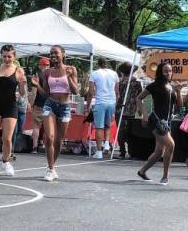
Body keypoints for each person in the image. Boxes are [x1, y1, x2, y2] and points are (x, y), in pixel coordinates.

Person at [31, 45, 79, 181]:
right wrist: (37, 85)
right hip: (49, 105)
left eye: (56, 53)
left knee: (58, 141)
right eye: (51, 53)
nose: (53, 55)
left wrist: (69, 77)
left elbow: (76, 91)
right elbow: (46, 93)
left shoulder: (71, 69)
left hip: (64, 107)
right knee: (49, 137)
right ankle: (50, 169)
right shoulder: (47, 72)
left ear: (63, 54)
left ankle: (52, 166)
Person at [135, 63, 185, 185]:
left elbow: (180, 106)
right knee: (171, 145)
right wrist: (144, 114)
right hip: (156, 121)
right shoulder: (155, 85)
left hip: (167, 122)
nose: (168, 73)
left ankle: (142, 171)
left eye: (170, 71)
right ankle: (165, 176)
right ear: (160, 72)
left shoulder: (172, 87)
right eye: (165, 71)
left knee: (159, 152)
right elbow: (138, 98)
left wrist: (178, 92)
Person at [0, 44, 27, 177]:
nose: (7, 59)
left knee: (7, 138)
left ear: (14, 57)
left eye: (9, 56)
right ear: (1, 56)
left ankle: (6, 162)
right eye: (4, 56)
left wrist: (23, 84)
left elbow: (23, 93)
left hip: (11, 105)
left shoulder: (19, 71)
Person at [89, 58, 120, 158]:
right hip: (112, 102)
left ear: (98, 64)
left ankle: (99, 152)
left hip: (100, 102)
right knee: (107, 125)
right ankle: (106, 144)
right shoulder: (114, 73)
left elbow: (90, 92)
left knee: (99, 127)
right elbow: (117, 91)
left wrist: (88, 104)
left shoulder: (94, 74)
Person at [115, 63, 143, 159]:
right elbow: (140, 97)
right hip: (132, 110)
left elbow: (117, 96)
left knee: (120, 131)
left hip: (120, 109)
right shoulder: (137, 83)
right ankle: (132, 152)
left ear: (122, 71)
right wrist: (140, 109)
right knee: (132, 132)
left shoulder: (120, 83)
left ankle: (122, 152)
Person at [28, 57, 50, 153]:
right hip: (49, 104)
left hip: (38, 104)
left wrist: (30, 103)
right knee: (47, 127)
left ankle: (35, 147)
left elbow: (34, 91)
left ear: (39, 65)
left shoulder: (37, 76)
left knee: (36, 126)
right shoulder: (51, 75)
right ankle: (46, 146)